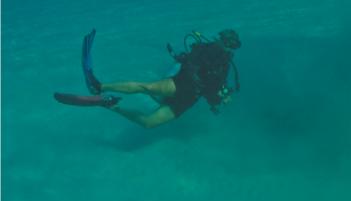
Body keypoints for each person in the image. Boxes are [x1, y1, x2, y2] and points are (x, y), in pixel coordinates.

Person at [65, 28, 241, 128]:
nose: (226, 47)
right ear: (220, 40)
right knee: (147, 88)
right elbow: (190, 63)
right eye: (225, 41)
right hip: (180, 84)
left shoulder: (224, 65)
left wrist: (221, 98)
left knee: (149, 123)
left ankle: (110, 104)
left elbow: (212, 93)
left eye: (230, 45)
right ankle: (99, 86)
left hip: (188, 99)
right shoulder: (205, 48)